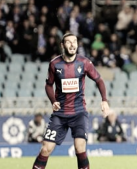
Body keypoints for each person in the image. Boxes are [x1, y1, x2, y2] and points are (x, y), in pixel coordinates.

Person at [32, 33, 110, 169]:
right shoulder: (54, 64)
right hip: (60, 113)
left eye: (75, 42)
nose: (73, 44)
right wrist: (53, 101)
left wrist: (104, 100)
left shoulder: (84, 62)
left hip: (79, 112)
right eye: (69, 42)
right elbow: (48, 85)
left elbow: (99, 80)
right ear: (63, 45)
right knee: (45, 149)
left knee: (80, 147)